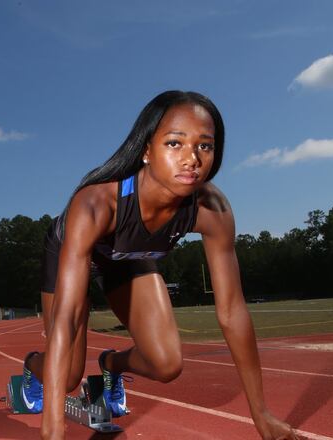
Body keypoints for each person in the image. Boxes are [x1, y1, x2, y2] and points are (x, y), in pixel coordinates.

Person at [20, 91, 297, 439]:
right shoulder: (95, 203)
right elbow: (67, 315)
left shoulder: (212, 209)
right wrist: (53, 430)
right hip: (72, 250)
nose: (192, 158)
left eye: (205, 146)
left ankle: (110, 366)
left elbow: (232, 312)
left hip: (127, 259)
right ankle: (32, 367)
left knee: (167, 364)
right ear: (147, 150)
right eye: (175, 143)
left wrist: (262, 415)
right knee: (70, 374)